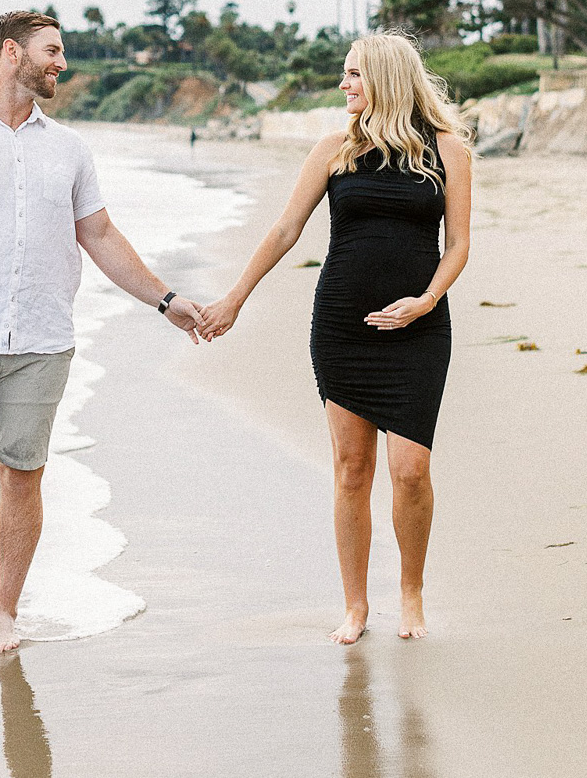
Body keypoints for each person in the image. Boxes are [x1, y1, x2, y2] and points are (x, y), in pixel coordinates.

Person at [0, 11, 204, 662]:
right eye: (52, 51)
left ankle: (3, 614)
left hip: (41, 340)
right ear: (12, 53)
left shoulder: (69, 149)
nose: (62, 62)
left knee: (23, 478)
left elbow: (100, 236)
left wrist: (165, 299)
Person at [198, 32, 472, 644]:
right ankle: (356, 606)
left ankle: (411, 593)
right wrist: (234, 299)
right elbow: (285, 229)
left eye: (353, 73)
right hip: (343, 326)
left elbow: (458, 245)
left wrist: (426, 301)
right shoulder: (333, 149)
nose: (343, 84)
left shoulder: (448, 150)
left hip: (418, 327)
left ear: (386, 77)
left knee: (410, 471)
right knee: (352, 469)